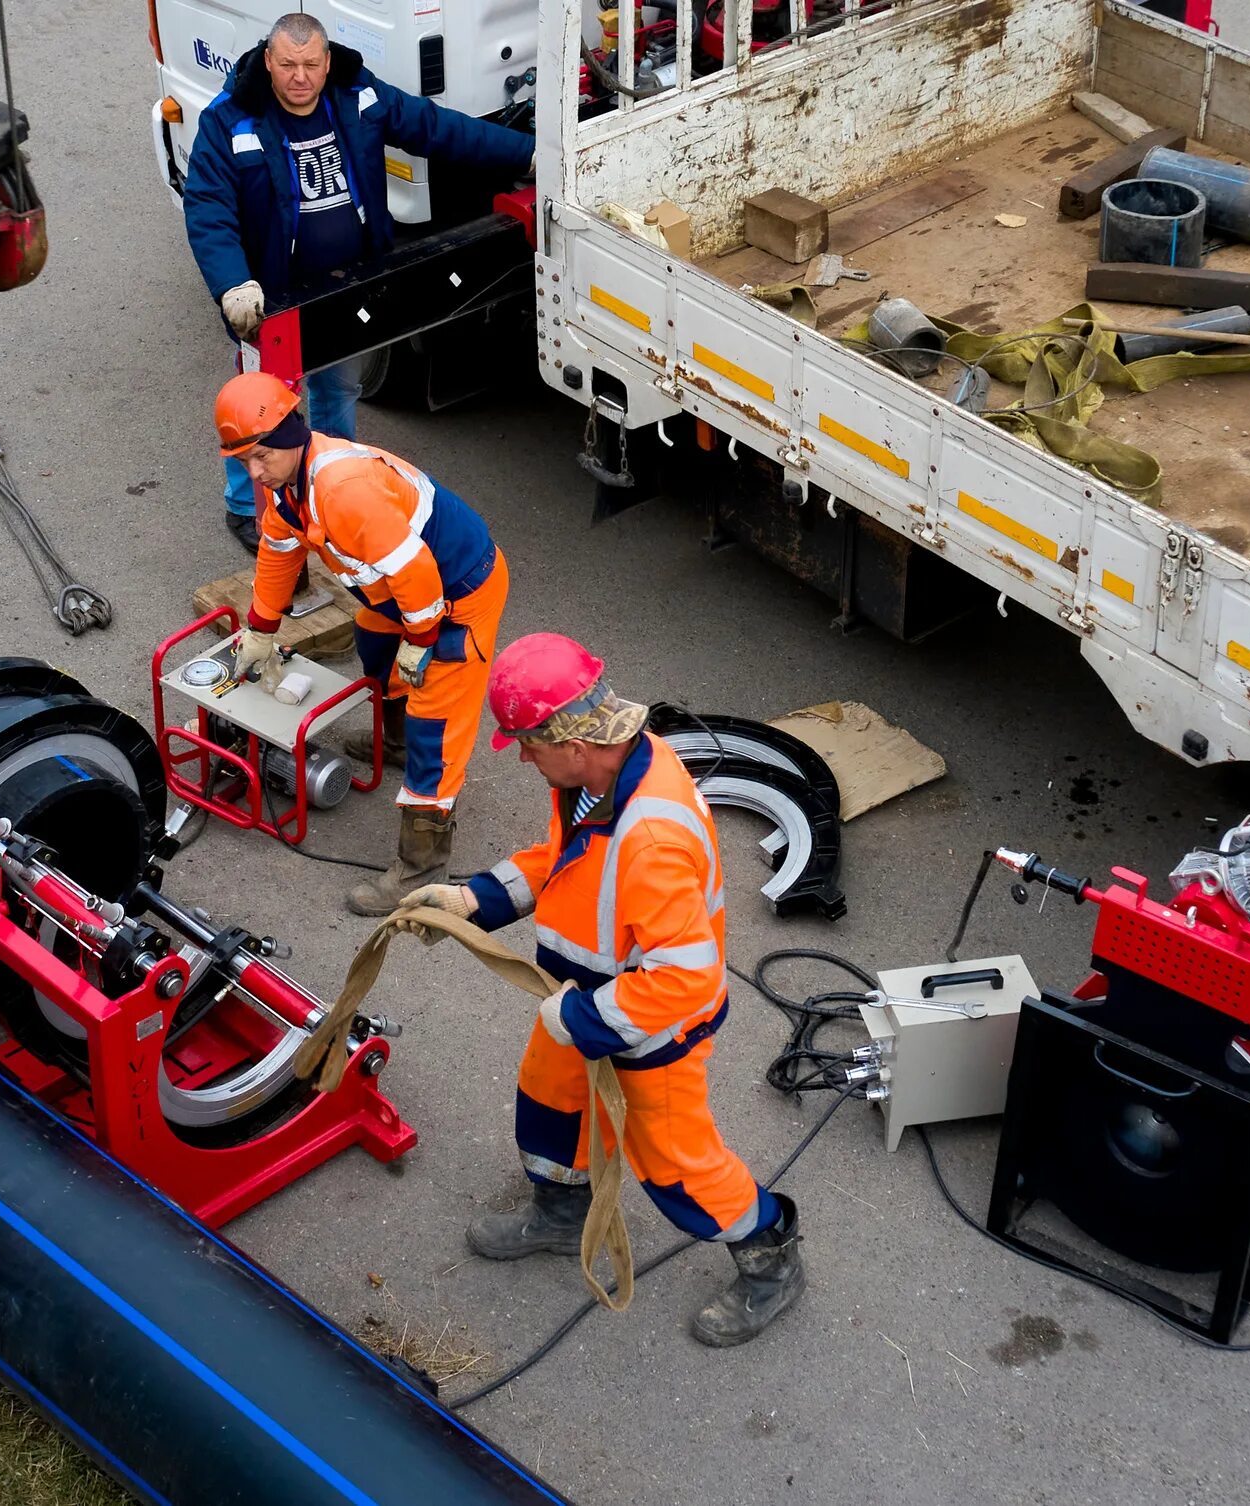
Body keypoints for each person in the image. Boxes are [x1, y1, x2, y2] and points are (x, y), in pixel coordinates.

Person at [406, 635, 809, 1348]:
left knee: (677, 1167)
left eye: (527, 744)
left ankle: (769, 1254)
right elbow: (562, 864)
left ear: (570, 738)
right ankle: (560, 1218)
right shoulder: (597, 778)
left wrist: (585, 1016)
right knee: (549, 1106)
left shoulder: (649, 837)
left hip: (645, 1027)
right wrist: (473, 902)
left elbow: (685, 979)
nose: (522, 758)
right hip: (582, 1000)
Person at [183, 11, 533, 550]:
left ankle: (331, 492)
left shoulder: (358, 96)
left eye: (310, 65)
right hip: (273, 301)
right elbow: (209, 207)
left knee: (339, 392)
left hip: (347, 286)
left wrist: (527, 154)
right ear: (267, 61)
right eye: (287, 65)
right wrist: (233, 284)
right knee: (262, 408)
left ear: (327, 63)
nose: (299, 77)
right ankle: (244, 507)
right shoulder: (229, 120)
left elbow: (436, 129)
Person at [215, 372, 507, 914]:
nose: (254, 472)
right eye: (243, 461)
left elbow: (418, 574)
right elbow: (278, 556)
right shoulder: (289, 488)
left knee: (435, 726)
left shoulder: (343, 490)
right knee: (374, 649)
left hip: (456, 596)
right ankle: (392, 743)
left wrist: (421, 641)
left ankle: (419, 872)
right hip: (400, 598)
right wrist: (261, 630)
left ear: (286, 435)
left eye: (259, 457)